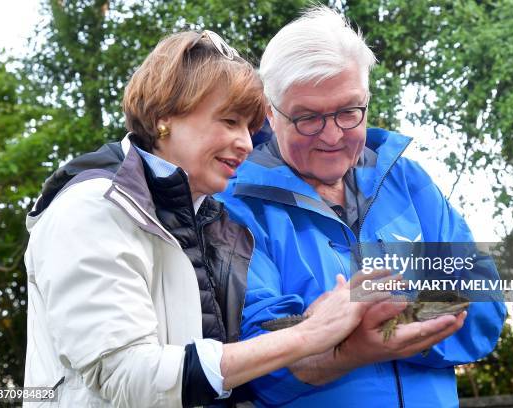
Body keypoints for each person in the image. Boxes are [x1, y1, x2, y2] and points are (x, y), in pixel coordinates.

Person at [22, 30, 397, 408]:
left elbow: (456, 289)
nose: (247, 144)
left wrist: (316, 328)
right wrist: (307, 335)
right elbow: (125, 375)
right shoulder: (93, 208)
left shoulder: (215, 220)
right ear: (164, 115)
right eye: (229, 121)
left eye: (250, 129)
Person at [217, 7, 507, 407]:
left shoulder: (407, 181)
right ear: (271, 112)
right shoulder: (234, 206)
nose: (333, 135)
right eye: (307, 118)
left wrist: (378, 327)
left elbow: (485, 305)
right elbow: (253, 356)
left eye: (349, 111)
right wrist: (355, 346)